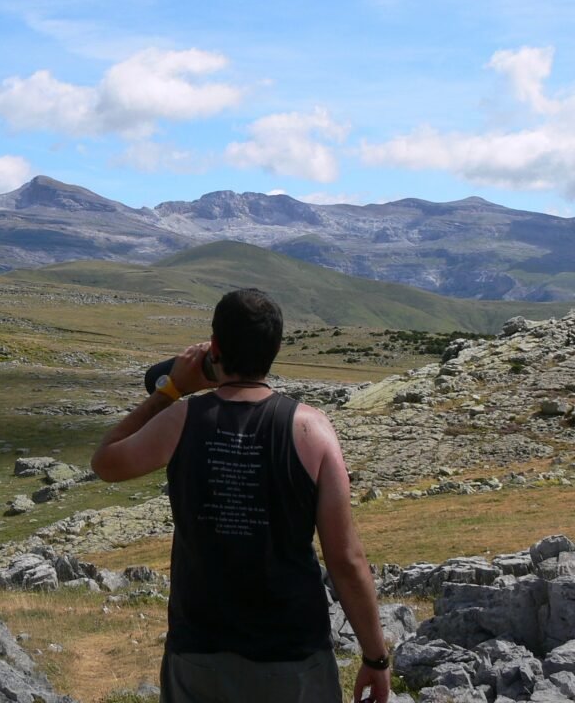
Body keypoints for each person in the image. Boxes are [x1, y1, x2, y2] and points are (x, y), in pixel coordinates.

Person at [92, 288, 390, 703]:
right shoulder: (313, 429)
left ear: (214, 349)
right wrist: (376, 658)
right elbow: (346, 559)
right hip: (292, 654)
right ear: (275, 349)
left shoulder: (181, 418)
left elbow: (105, 461)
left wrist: (171, 389)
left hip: (199, 649)